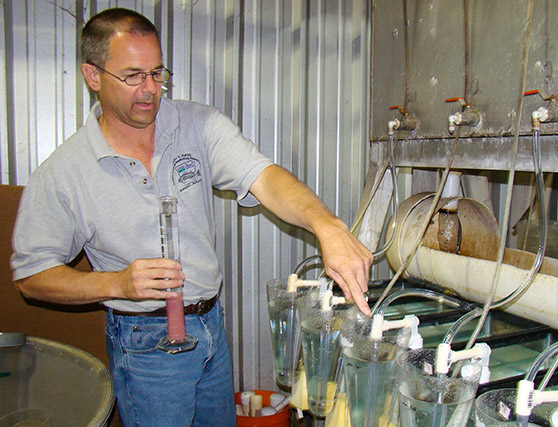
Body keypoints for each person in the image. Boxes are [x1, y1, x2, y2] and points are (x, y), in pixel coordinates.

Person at [11, 8, 373, 427]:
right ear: (93, 76)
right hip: (145, 344)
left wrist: (326, 225)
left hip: (209, 327)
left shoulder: (198, 126)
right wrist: (116, 283)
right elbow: (32, 275)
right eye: (132, 76)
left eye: (157, 73)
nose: (150, 89)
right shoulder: (65, 171)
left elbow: (265, 178)